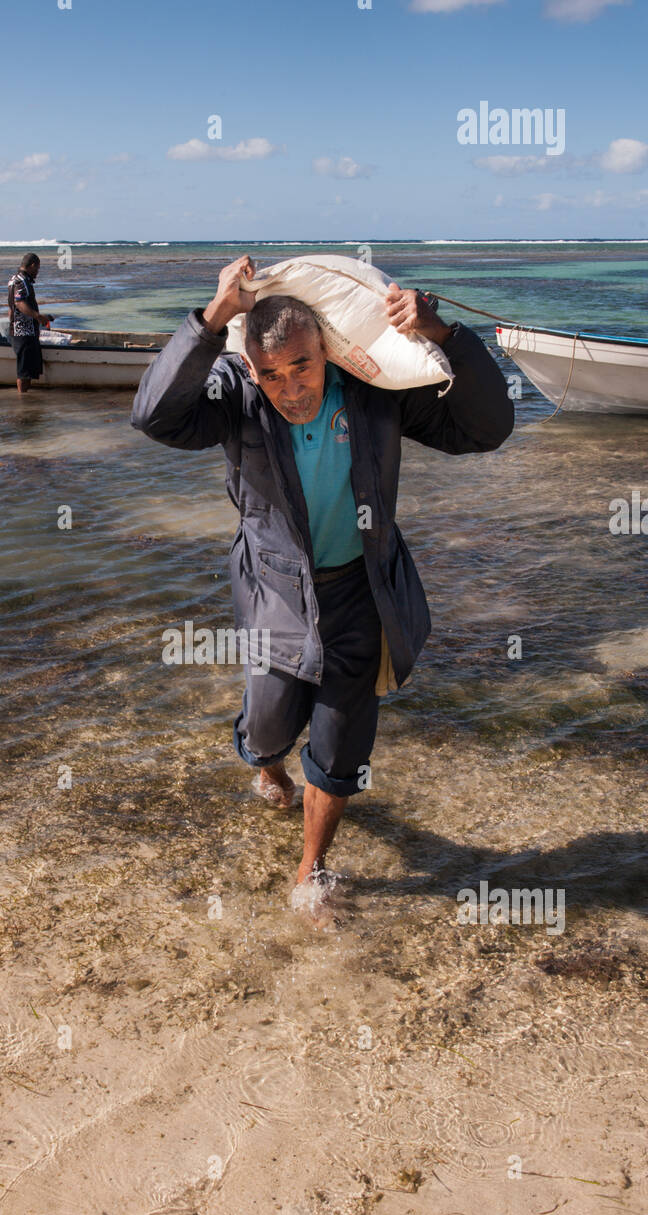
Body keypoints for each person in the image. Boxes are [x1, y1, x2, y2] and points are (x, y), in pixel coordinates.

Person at [131, 255, 514, 914]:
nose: (290, 388)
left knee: (341, 745)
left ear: (326, 352)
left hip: (363, 592)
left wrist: (447, 336)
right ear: (251, 366)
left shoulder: (371, 391)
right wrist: (211, 320)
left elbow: (487, 429)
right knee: (267, 725)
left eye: (302, 366)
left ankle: (311, 868)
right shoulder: (238, 395)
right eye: (272, 373)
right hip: (276, 595)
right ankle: (266, 762)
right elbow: (155, 416)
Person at [7, 253, 53, 393]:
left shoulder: (14, 280)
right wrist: (38, 316)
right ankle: (23, 400)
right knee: (24, 372)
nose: (37, 273)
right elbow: (19, 303)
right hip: (23, 332)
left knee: (26, 371)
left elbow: (11, 308)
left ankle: (25, 399)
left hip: (21, 331)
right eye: (37, 269)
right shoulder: (22, 281)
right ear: (32, 265)